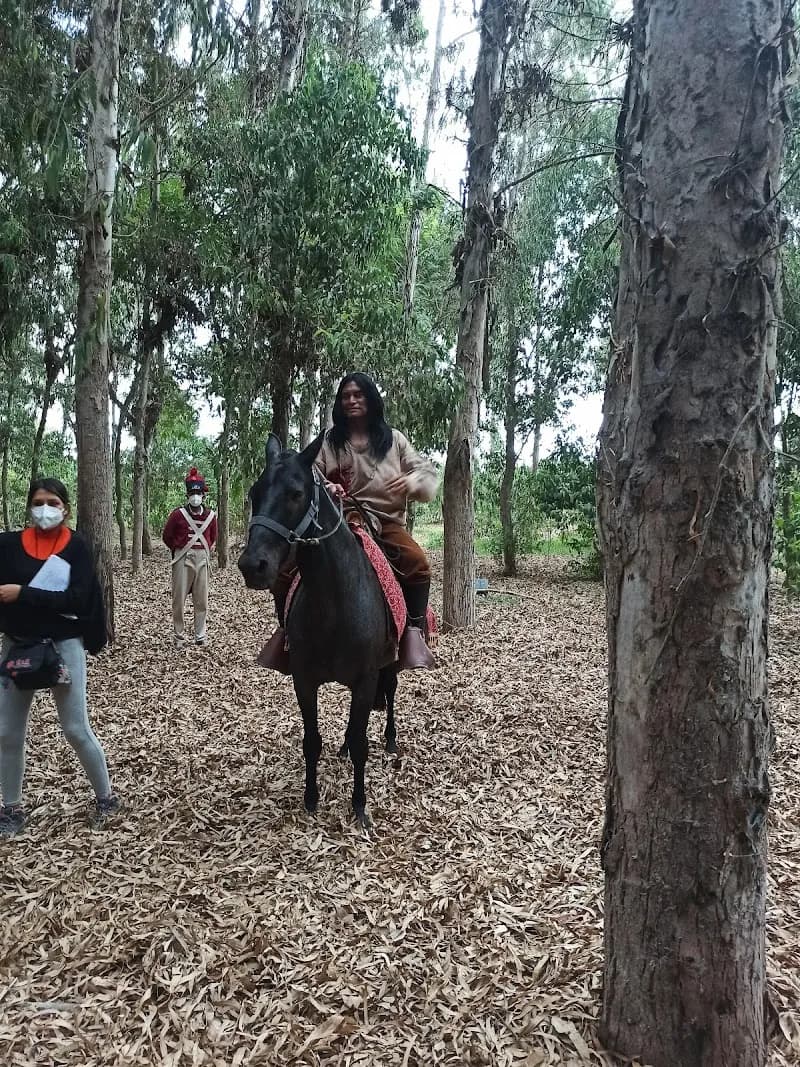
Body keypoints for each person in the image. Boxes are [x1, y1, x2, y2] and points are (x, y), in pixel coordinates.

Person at [261, 372, 438, 671]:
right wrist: (327, 488)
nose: (352, 400)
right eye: (346, 396)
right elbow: (308, 476)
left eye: (358, 395)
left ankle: (412, 635)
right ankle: (287, 636)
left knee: (418, 563)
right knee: (283, 571)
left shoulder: (394, 440)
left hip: (385, 523)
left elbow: (428, 476)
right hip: (336, 522)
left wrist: (412, 481)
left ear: (370, 399)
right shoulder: (330, 442)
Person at [0, 477, 120, 837]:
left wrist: (24, 593)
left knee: (75, 728)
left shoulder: (77, 547)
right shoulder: (8, 545)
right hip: (18, 647)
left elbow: (78, 600)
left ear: (65, 508)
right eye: (39, 502)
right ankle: (11, 808)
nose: (45, 509)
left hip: (63, 646)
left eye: (53, 502)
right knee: (7, 731)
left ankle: (106, 798)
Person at [162, 468, 218, 648]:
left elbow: (213, 536)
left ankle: (200, 635)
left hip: (203, 559)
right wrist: (179, 551)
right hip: (182, 559)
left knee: (202, 600)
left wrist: (202, 550)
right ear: (188, 495)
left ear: (203, 495)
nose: (195, 496)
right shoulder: (178, 515)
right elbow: (167, 536)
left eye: (198, 493)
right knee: (179, 599)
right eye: (192, 493)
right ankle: (179, 636)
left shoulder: (210, 516)